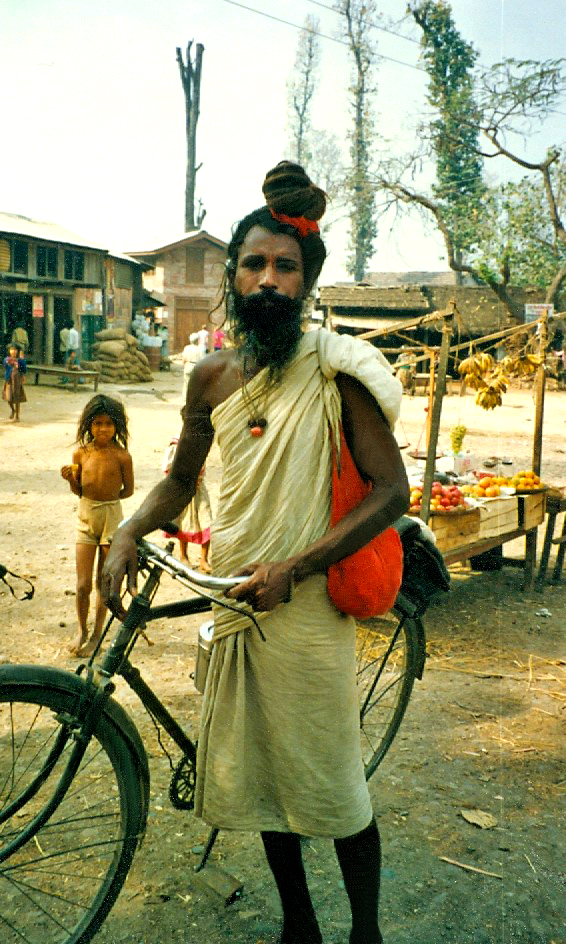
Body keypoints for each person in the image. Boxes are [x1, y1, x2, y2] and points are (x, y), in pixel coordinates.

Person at [102, 160, 408, 944]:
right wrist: (132, 530)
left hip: (304, 615)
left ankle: (365, 934)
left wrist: (295, 567)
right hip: (235, 605)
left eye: (286, 266)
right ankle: (299, 925)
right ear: (232, 278)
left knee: (335, 789)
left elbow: (390, 491)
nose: (269, 279)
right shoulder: (208, 378)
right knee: (268, 784)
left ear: (306, 281)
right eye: (254, 264)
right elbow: (179, 479)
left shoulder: (335, 373)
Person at [61, 394, 134, 657]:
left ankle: (96, 634)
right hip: (86, 515)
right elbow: (79, 491)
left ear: (117, 426)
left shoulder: (122, 456)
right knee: (82, 584)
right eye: (97, 424)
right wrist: (70, 480)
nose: (103, 429)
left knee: (104, 580)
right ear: (88, 425)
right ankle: (81, 629)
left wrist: (108, 499)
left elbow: (129, 491)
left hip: (111, 517)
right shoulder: (80, 453)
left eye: (108, 424)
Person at [162, 431, 212, 572]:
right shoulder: (177, 443)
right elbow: (168, 467)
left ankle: (204, 559)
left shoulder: (202, 440)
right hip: (182, 488)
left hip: (199, 489)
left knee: (206, 520)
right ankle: (184, 556)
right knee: (182, 522)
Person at [3, 344, 27, 422]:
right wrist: (9, 362)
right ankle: (13, 410)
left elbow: (23, 369)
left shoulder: (20, 360)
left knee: (17, 397)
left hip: (17, 380)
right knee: (9, 398)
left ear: (18, 351)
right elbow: (5, 366)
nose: (13, 351)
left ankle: (17, 416)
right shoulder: (6, 359)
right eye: (11, 349)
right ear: (9, 351)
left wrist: (23, 376)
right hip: (9, 379)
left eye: (15, 350)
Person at [181, 333, 201, 399]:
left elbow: (184, 359)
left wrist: (183, 365)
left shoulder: (187, 348)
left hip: (188, 366)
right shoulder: (199, 349)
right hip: (196, 367)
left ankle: (185, 398)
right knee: (195, 385)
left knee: (186, 384)